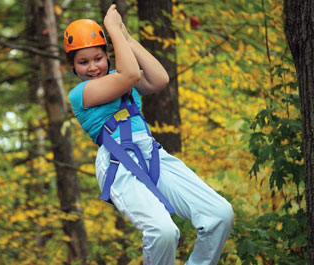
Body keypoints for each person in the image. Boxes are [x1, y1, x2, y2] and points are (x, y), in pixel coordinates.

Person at [64, 5, 234, 265]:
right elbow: (130, 73)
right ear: (73, 67)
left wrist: (126, 36)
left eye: (98, 58)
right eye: (83, 62)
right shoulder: (80, 94)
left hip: (150, 151)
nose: (93, 67)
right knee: (163, 232)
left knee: (219, 214)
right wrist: (111, 27)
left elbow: (160, 79)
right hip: (115, 161)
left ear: (108, 56)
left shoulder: (121, 78)